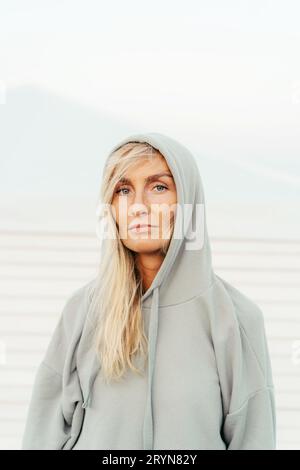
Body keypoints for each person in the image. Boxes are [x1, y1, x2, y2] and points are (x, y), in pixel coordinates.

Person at [22, 132, 277, 450]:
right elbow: (43, 436)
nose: (139, 206)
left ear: (187, 200)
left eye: (159, 186)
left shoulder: (236, 319)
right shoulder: (82, 311)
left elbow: (254, 439)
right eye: (123, 190)